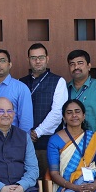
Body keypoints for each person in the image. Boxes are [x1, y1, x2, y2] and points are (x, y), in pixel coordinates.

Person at [23, 42, 68, 174]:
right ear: (28, 60)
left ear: (47, 59)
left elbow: (58, 112)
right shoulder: (21, 82)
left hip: (48, 143)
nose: (37, 61)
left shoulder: (58, 81)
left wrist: (37, 132)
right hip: (24, 143)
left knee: (49, 179)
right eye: (33, 58)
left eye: (41, 57)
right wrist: (26, 134)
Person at [0, 48, 35, 132]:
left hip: (12, 140)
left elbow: (26, 122)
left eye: (2, 61)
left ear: (10, 64)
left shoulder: (21, 88)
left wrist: (22, 141)